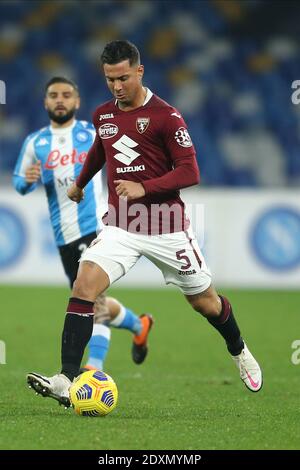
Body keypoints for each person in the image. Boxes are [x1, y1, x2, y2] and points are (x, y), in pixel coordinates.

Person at [27, 41, 262, 408]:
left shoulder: (167, 116)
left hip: (165, 225)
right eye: (109, 80)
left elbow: (190, 171)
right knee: (84, 284)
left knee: (206, 303)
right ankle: (65, 377)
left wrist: (144, 187)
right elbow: (101, 150)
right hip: (121, 225)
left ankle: (239, 349)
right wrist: (80, 183)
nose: (117, 87)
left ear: (139, 71)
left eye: (123, 78)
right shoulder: (103, 115)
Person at [13, 76, 153, 377]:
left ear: (77, 102)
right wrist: (26, 181)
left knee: (91, 301)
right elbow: (18, 182)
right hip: (64, 234)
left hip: (97, 226)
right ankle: (139, 325)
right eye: (53, 95)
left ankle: (92, 369)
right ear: (45, 102)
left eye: (66, 95)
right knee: (87, 300)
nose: (60, 99)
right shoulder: (35, 143)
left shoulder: (94, 133)